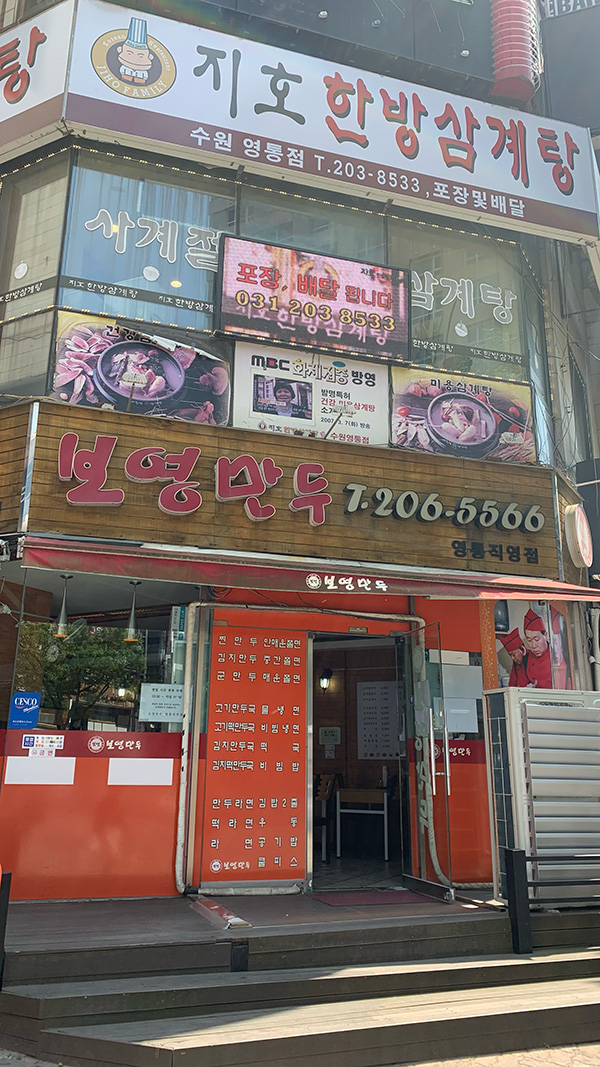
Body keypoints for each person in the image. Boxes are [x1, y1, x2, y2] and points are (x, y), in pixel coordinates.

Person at [117, 18, 154, 85]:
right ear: (120, 50)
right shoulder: (124, 67)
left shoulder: (143, 72)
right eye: (129, 53)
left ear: (150, 57)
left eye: (141, 56)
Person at [523, 608, 553, 689]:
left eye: (537, 639)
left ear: (545, 635)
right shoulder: (526, 659)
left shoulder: (555, 656)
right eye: (529, 640)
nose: (533, 645)